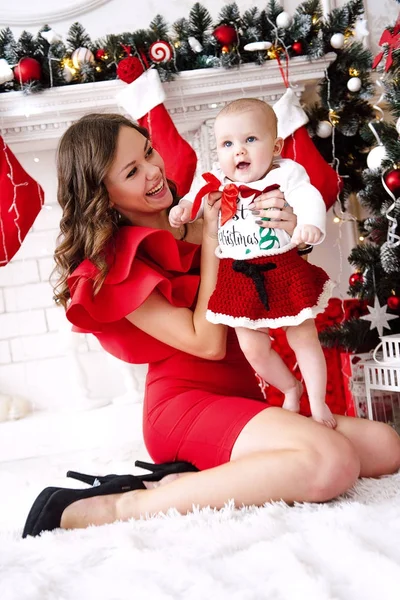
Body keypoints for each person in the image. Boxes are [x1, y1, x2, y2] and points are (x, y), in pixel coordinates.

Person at [22, 112, 400, 538]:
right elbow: (208, 344)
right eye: (132, 171)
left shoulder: (210, 211)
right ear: (103, 196)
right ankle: (125, 504)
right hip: (182, 410)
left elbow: (278, 285)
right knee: (333, 462)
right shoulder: (112, 269)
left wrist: (290, 229)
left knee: (385, 448)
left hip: (243, 398)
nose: (153, 171)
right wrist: (212, 246)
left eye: (148, 153)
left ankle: (193, 479)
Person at [169, 98, 335, 427]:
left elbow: (308, 196)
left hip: (282, 269)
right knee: (253, 347)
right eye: (228, 144)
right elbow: (195, 198)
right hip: (238, 276)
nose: (239, 151)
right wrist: (184, 209)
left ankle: (318, 403)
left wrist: (309, 223)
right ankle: (290, 388)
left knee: (303, 337)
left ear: (275, 146)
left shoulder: (287, 173)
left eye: (250, 140)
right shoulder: (217, 180)